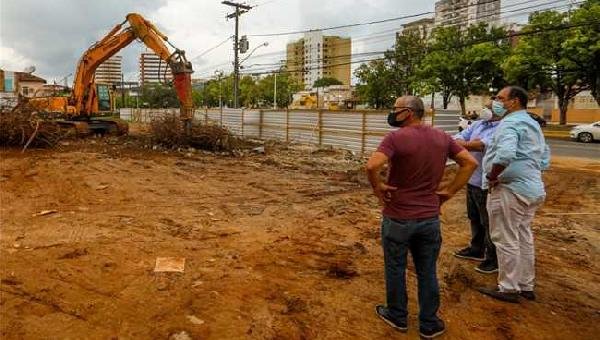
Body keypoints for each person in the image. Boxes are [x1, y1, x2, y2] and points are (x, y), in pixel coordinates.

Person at [366, 96, 477, 338]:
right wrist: (447, 192)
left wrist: (378, 188)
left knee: (395, 267)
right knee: (427, 269)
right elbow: (468, 163)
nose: (392, 113)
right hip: (429, 218)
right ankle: (429, 323)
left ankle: (397, 315)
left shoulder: (395, 138)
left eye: (395, 109)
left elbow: (372, 166)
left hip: (398, 217)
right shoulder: (442, 137)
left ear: (407, 113)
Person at [478, 86, 550, 303]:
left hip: (510, 189)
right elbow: (544, 158)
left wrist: (493, 175)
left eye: (500, 98)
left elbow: (506, 154)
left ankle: (509, 288)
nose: (495, 102)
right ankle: (525, 284)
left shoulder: (510, 123)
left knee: (505, 238)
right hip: (532, 188)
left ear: (515, 101)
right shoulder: (531, 124)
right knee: (523, 236)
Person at [453, 104, 502, 274]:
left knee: (488, 222)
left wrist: (464, 144)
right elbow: (457, 137)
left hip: (486, 181)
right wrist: (465, 143)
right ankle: (477, 249)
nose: (485, 109)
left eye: (489, 107)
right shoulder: (479, 124)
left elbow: (480, 146)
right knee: (474, 217)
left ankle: (493, 258)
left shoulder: (502, 128)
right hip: (472, 179)